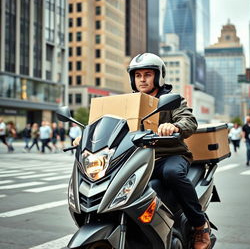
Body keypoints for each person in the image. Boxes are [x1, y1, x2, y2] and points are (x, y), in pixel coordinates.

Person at [73, 53, 211, 249]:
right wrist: (86, 137)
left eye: (147, 74)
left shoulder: (171, 100)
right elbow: (108, 127)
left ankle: (199, 225)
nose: (142, 79)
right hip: (137, 157)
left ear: (158, 76)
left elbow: (189, 121)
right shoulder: (129, 102)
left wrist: (175, 127)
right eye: (138, 75)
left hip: (169, 155)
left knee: (172, 173)